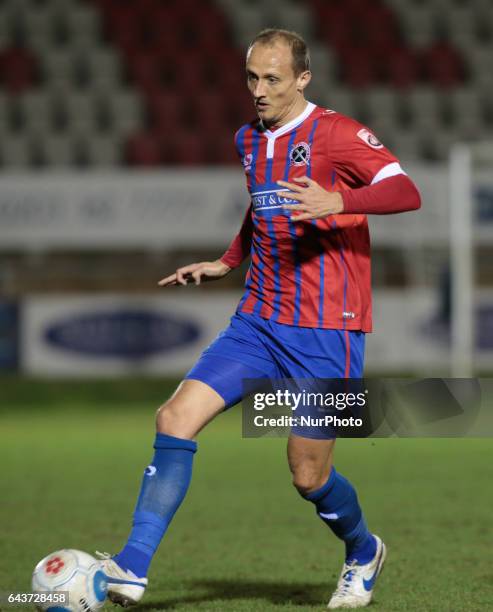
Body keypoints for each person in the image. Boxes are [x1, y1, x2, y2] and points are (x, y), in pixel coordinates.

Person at [99, 29, 421, 609]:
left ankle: (363, 549)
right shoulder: (248, 138)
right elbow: (262, 204)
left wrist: (339, 201)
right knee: (175, 417)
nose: (259, 90)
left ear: (303, 79)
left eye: (272, 78)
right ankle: (131, 567)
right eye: (251, 77)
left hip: (328, 331)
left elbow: (405, 190)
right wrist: (228, 261)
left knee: (307, 475)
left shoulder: (339, 134)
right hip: (258, 321)